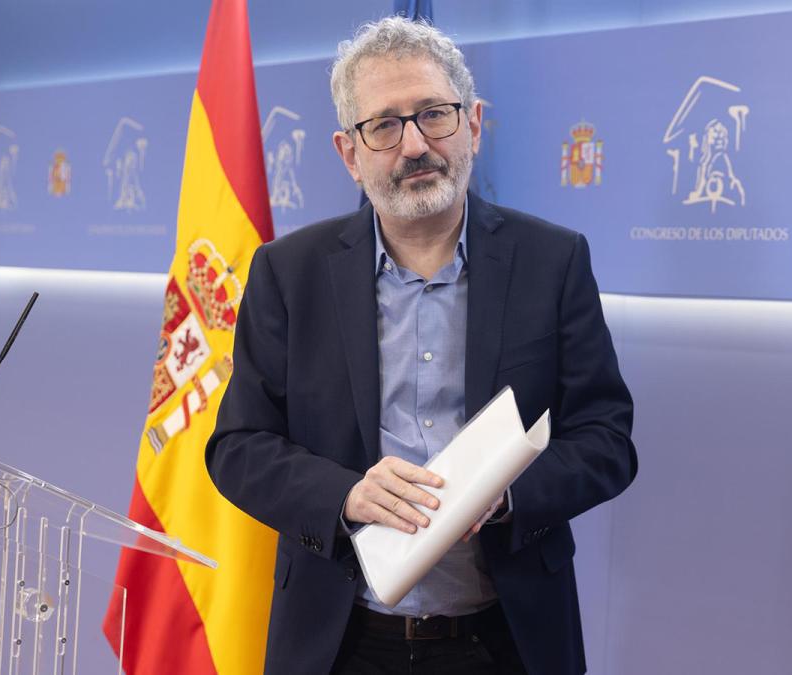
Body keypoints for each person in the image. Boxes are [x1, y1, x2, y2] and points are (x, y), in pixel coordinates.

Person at [206, 16, 635, 675]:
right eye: (383, 125)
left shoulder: (553, 261)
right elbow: (237, 447)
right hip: (340, 639)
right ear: (349, 152)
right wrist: (347, 494)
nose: (414, 144)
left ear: (474, 124)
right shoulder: (288, 274)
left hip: (508, 637)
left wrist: (508, 492)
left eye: (434, 114)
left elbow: (607, 439)